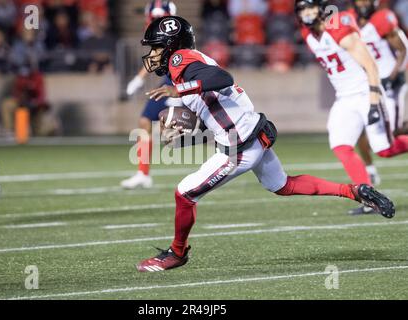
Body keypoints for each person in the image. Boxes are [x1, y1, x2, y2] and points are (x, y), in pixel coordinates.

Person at [136, 16, 395, 272]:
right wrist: (184, 140)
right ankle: (354, 191)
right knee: (283, 185)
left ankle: (177, 253)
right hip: (251, 135)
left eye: (157, 47)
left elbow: (223, 78)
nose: (153, 54)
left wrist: (179, 91)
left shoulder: (182, 60)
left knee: (184, 193)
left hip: (240, 147)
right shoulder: (189, 63)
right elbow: (213, 113)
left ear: (172, 45)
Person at [295, 0, 408, 215]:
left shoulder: (337, 27)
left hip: (366, 92)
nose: (307, 13)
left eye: (310, 7)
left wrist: (374, 100)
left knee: (384, 149)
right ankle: (370, 198)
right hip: (344, 97)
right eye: (302, 9)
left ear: (322, 9)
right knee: (340, 144)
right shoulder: (306, 32)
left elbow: (370, 64)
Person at [120, 0, 181, 190]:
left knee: (179, 131)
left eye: (158, 18)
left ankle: (228, 155)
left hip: (185, 82)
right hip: (170, 83)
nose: (154, 22)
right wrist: (138, 79)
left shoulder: (178, 34)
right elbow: (156, 56)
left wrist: (138, 80)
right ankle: (143, 174)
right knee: (145, 121)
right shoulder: (161, 35)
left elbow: (159, 58)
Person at [350, 0, 408, 194]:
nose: (363, 3)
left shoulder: (382, 18)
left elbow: (403, 49)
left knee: (393, 136)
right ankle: (370, 170)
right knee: (358, 129)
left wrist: (392, 76)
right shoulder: (350, 20)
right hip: (369, 85)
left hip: (389, 84)